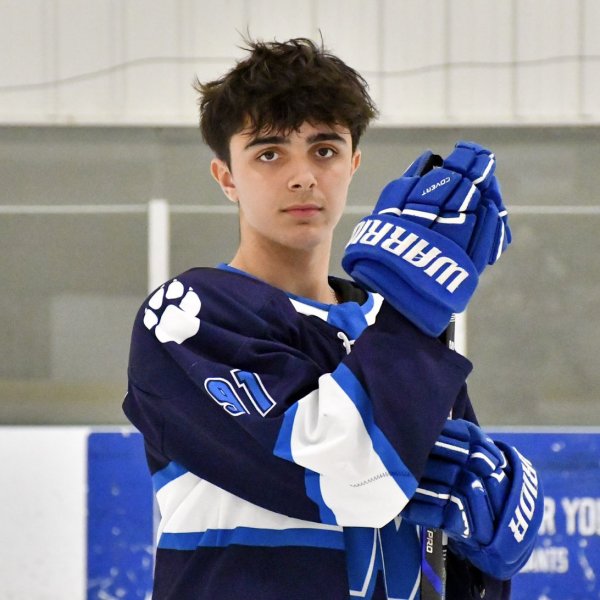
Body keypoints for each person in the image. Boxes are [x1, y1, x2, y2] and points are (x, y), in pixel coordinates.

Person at [124, 37, 543, 600]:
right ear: (226, 177)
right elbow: (353, 478)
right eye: (269, 154)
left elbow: (437, 548)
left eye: (324, 150)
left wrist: (482, 551)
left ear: (353, 164)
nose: (303, 176)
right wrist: (414, 303)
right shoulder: (188, 314)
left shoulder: (398, 324)